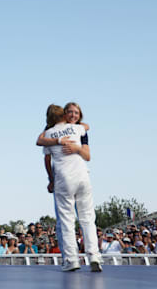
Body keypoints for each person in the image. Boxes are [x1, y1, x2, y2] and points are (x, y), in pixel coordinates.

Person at [37, 104, 102, 272]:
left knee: (66, 221)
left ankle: (72, 260)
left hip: (63, 179)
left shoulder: (49, 133)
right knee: (88, 219)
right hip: (82, 177)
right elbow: (87, 127)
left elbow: (45, 157)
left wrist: (51, 179)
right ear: (64, 115)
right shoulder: (76, 129)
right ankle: (94, 256)